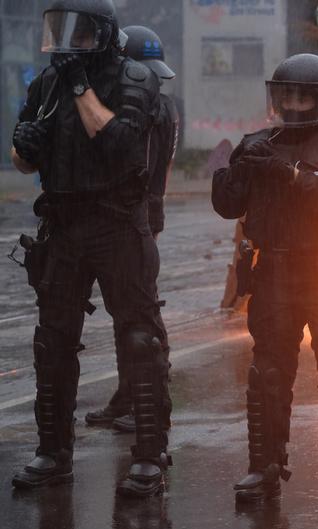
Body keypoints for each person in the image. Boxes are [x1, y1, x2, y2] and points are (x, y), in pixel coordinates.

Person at [9, 0, 170, 497]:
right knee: (52, 344)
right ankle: (53, 453)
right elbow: (19, 161)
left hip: (118, 224)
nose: (65, 41)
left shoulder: (134, 80)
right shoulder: (46, 84)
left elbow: (120, 143)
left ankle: (148, 456)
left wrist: (81, 86)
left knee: (140, 340)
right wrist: (24, 144)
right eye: (58, 29)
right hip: (64, 226)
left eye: (76, 32)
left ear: (101, 34)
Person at [212, 53, 318, 505]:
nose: (293, 101)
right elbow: (228, 204)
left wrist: (285, 173)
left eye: (304, 94)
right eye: (287, 93)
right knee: (268, 372)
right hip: (275, 275)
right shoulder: (258, 143)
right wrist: (234, 168)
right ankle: (263, 466)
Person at [85, 24, 179, 434]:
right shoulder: (168, 105)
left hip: (129, 217)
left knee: (136, 317)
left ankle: (140, 402)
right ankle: (132, 398)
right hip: (147, 213)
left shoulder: (142, 107)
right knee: (136, 313)